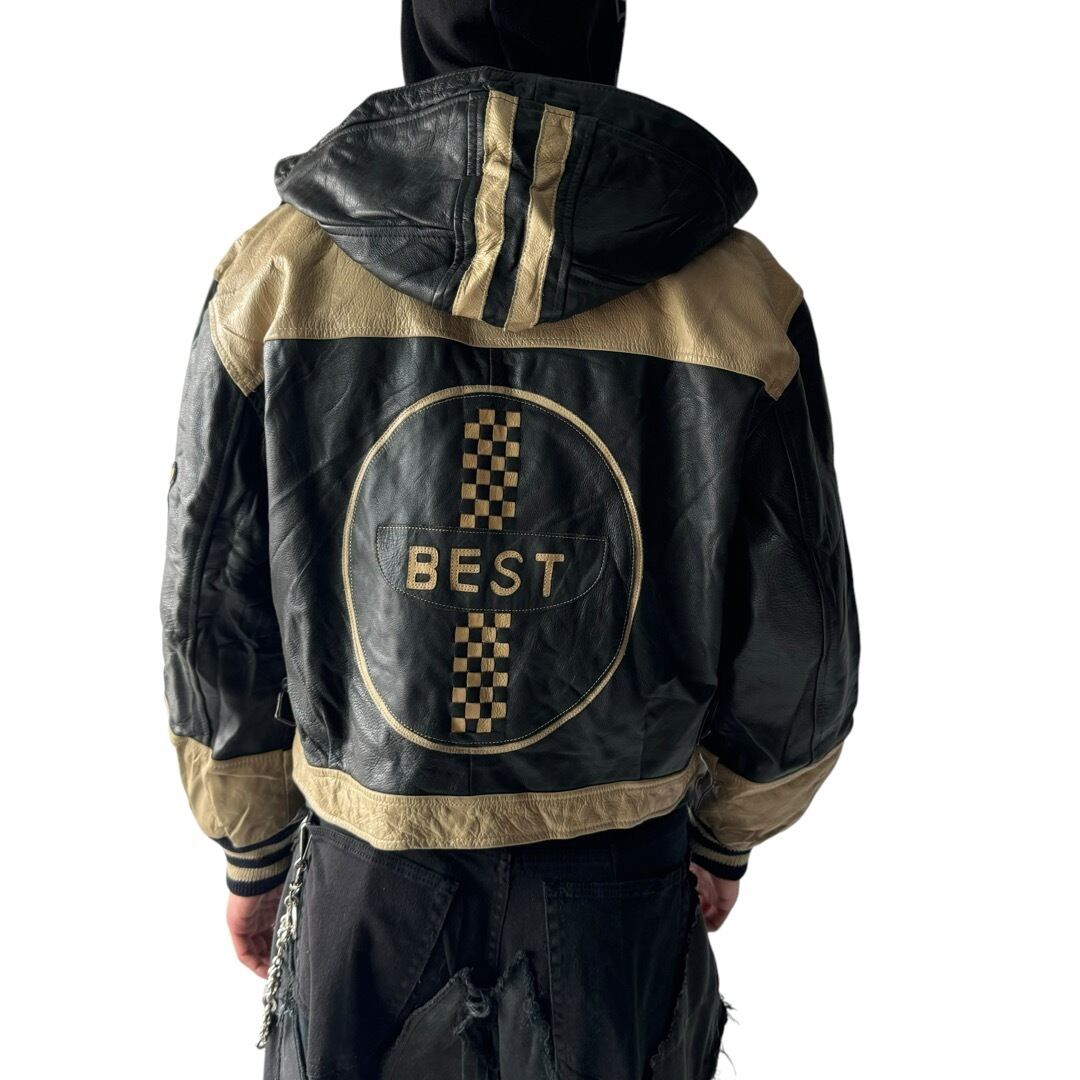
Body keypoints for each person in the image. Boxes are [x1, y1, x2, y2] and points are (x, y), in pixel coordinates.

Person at [160, 2, 860, 1077]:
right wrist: (728, 831)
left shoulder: (278, 273)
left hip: (364, 881)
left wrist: (252, 847)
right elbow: (799, 629)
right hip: (619, 880)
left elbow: (212, 599)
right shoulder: (740, 298)